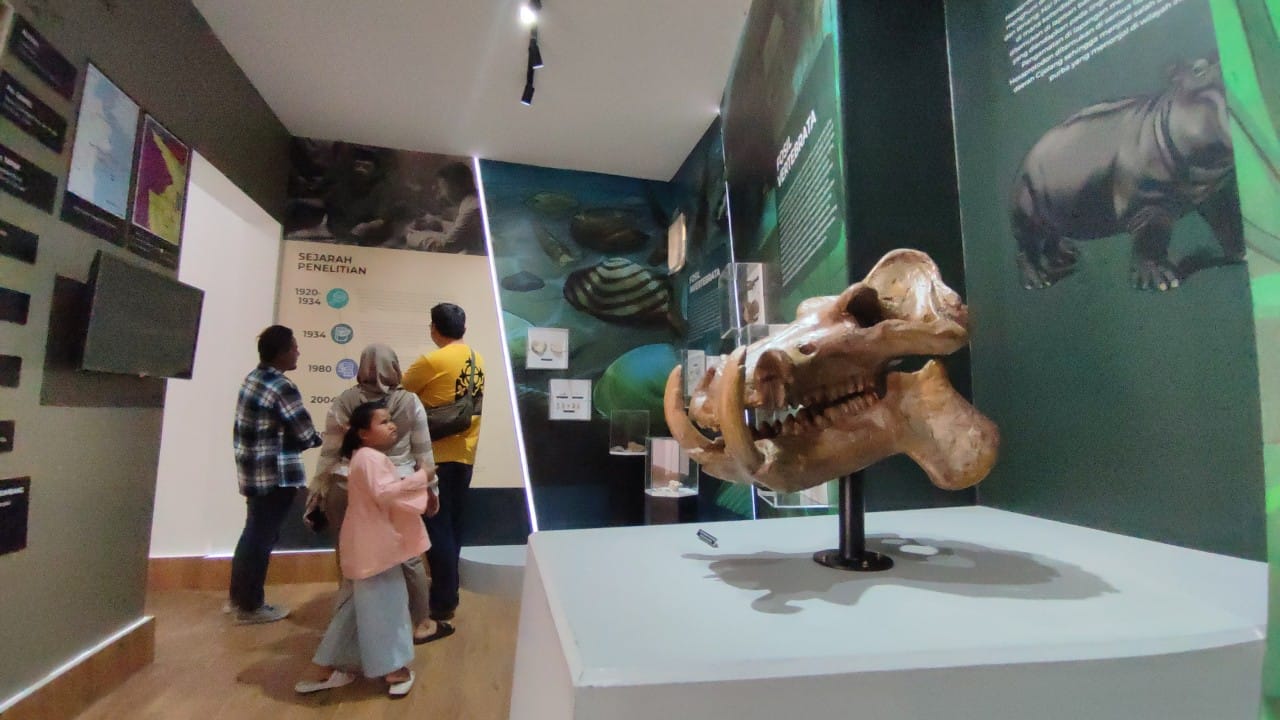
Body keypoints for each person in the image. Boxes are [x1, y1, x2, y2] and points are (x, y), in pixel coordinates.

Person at [307, 343, 448, 642]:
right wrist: (431, 488)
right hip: (399, 485)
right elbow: (423, 451)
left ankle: (354, 626)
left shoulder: (345, 401)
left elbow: (330, 451)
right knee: (409, 556)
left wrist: (317, 490)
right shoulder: (409, 401)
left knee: (351, 556)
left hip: (347, 484)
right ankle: (420, 622)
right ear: (395, 367)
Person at [294, 402, 435, 697]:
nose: (392, 425)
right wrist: (422, 477)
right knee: (387, 608)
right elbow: (385, 494)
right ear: (363, 433)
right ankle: (393, 671)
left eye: (390, 420)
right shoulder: (371, 458)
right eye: (383, 422)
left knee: (354, 609)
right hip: (377, 548)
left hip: (366, 546)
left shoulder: (363, 457)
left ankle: (331, 666)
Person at [229, 325, 322, 624]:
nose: (298, 352)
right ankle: (251, 606)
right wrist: (325, 438)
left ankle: (240, 599)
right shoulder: (282, 387)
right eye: (294, 347)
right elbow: (305, 434)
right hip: (275, 476)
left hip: (253, 473)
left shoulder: (253, 378)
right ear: (281, 352)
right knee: (262, 537)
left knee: (253, 533)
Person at [402, 303, 484, 623]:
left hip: (435, 456)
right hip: (466, 452)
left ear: (434, 328)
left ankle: (443, 600)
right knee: (454, 527)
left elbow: (400, 394)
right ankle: (450, 592)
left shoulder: (431, 361)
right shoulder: (478, 359)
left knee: (436, 528)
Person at [402, 162, 485, 254]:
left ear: (456, 187)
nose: (441, 194)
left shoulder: (471, 210)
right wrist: (440, 224)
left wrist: (410, 237)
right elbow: (464, 232)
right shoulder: (474, 201)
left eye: (442, 188)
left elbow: (445, 247)